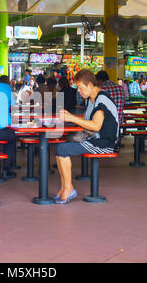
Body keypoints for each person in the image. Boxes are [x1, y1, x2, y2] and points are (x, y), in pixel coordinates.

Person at [55, 69, 118, 204]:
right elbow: (88, 122)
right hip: (95, 139)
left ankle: (68, 188)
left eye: (79, 87)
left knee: (62, 149)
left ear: (89, 85)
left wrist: (72, 117)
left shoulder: (101, 99)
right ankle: (64, 186)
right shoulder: (91, 99)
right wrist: (70, 118)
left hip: (104, 143)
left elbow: (95, 126)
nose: (78, 91)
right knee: (60, 145)